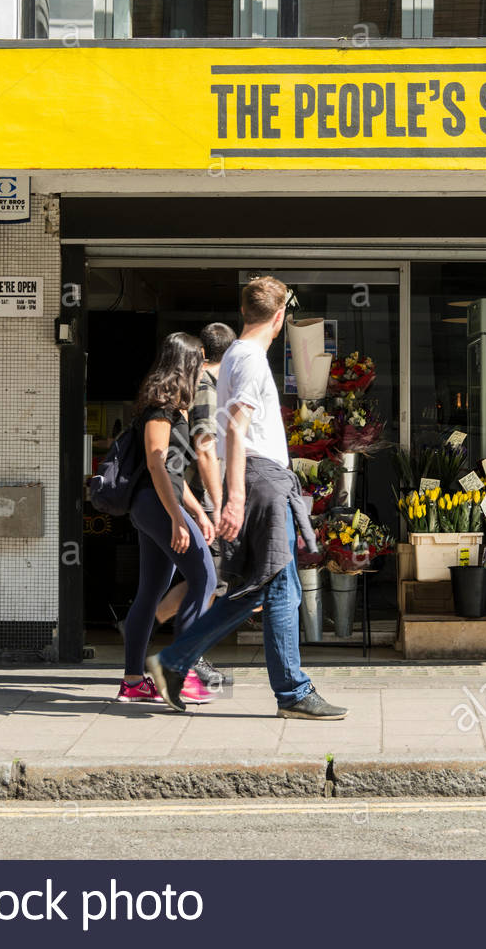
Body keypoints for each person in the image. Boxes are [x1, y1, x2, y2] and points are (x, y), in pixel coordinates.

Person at [147, 276, 348, 720]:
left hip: (260, 478)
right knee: (280, 589)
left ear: (245, 314)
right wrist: (234, 499)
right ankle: (292, 691)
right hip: (264, 480)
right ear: (279, 319)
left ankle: (175, 662)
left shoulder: (236, 354)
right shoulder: (253, 360)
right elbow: (235, 428)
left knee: (262, 589)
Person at [115, 332, 219, 705]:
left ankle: (132, 682)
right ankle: (182, 671)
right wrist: (177, 517)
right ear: (189, 362)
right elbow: (157, 463)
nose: (204, 367)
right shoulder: (160, 405)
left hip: (159, 504)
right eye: (201, 360)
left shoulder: (173, 405)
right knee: (204, 577)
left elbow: (173, 474)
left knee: (150, 591)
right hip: (156, 506)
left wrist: (194, 511)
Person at [154, 322, 236, 689]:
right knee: (207, 578)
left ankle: (143, 624)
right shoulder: (204, 384)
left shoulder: (204, 383)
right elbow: (205, 448)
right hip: (200, 495)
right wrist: (217, 503)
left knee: (206, 578)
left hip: (193, 495)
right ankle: (189, 657)